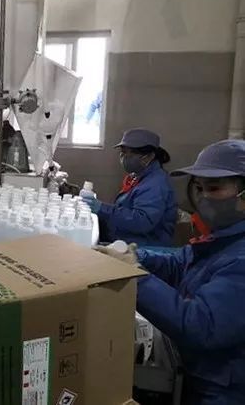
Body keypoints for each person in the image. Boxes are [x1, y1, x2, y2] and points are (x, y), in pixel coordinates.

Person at [99, 140, 245, 404]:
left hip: (223, 390)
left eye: (214, 188)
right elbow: (180, 262)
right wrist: (137, 257)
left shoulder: (240, 258)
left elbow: (201, 325)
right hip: (200, 372)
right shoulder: (224, 238)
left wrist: (136, 277)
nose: (203, 197)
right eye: (198, 188)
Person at [83, 128, 177, 246]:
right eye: (121, 152)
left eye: (127, 153)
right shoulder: (139, 176)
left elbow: (142, 222)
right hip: (129, 239)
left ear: (148, 157)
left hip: (146, 247)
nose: (122, 157)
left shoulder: (156, 184)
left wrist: (102, 208)